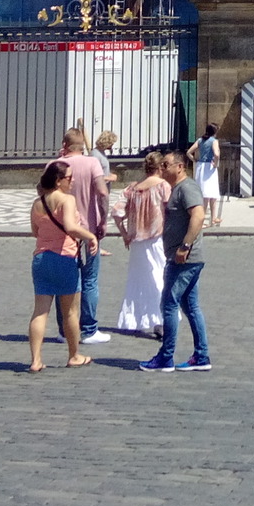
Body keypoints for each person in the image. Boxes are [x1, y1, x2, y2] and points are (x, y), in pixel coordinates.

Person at [140, 149, 209, 371]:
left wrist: (184, 246)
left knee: (169, 304)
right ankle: (201, 356)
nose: (162, 168)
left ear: (179, 167)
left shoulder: (187, 188)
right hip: (183, 257)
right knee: (190, 306)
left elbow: (198, 215)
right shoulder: (176, 189)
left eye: (166, 165)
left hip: (184, 259)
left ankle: (165, 357)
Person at [28, 159, 98, 371]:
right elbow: (70, 226)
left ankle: (35, 360)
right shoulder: (67, 200)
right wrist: (90, 236)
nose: (72, 181)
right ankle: (74, 355)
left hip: (41, 259)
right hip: (64, 258)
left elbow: (35, 232)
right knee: (70, 312)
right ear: (58, 181)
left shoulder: (38, 203)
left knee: (40, 311)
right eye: (69, 178)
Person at [57, 128, 114, 346]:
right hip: (89, 230)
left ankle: (64, 330)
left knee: (65, 282)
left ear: (65, 145)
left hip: (63, 230)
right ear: (82, 146)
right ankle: (89, 329)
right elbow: (103, 192)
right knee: (90, 279)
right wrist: (103, 220)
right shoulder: (92, 163)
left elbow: (41, 192)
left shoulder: (56, 165)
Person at [116, 151, 168, 336]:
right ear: (160, 167)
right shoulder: (163, 186)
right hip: (156, 238)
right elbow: (170, 210)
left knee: (138, 281)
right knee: (159, 277)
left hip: (137, 241)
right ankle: (161, 320)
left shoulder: (133, 188)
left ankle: (137, 318)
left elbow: (116, 212)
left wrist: (124, 233)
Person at [189, 123, 221, 228]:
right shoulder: (214, 141)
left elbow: (189, 152)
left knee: (205, 194)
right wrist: (216, 163)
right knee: (211, 194)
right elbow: (216, 154)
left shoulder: (200, 140)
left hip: (201, 166)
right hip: (209, 167)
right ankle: (211, 219)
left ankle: (211, 218)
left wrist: (195, 160)